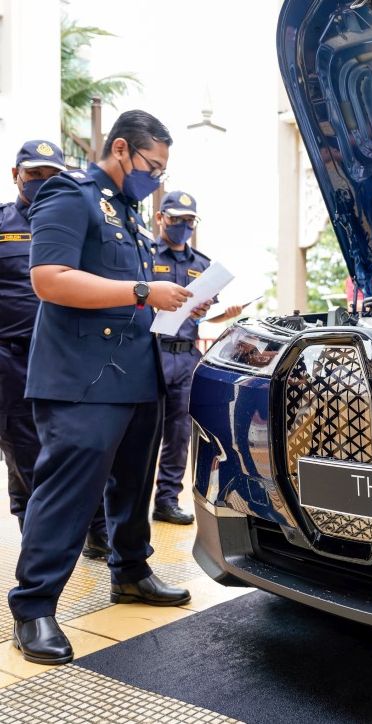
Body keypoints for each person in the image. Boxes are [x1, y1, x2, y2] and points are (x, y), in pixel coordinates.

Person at [9, 111, 194, 666]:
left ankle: (131, 573)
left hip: (136, 374)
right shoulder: (72, 193)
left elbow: (125, 293)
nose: (156, 179)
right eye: (151, 166)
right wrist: (144, 290)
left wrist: (176, 299)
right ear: (120, 149)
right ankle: (34, 607)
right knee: (66, 494)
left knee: (133, 488)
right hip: (81, 378)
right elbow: (50, 279)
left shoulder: (132, 215)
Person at [0, 140, 111, 558]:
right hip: (12, 360)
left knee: (85, 448)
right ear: (16, 176)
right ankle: (38, 551)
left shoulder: (84, 221)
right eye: (35, 175)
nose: (44, 183)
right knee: (26, 457)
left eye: (53, 176)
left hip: (69, 358)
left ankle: (99, 534)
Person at [151, 190, 241, 524]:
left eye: (189, 221)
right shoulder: (145, 256)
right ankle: (119, 504)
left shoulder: (202, 266)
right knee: (141, 431)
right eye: (176, 219)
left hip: (184, 356)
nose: (183, 226)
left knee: (178, 434)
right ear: (161, 218)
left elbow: (200, 317)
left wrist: (225, 314)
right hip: (151, 354)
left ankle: (166, 500)